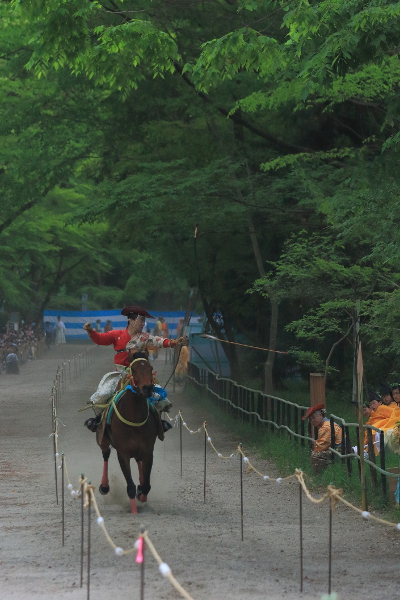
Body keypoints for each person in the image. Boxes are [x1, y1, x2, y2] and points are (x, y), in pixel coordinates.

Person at [83, 305, 188, 432]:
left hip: (140, 374)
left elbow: (159, 341)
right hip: (121, 374)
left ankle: (158, 422)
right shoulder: (117, 334)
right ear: (131, 321)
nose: (143, 324)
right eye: (141, 320)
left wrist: (175, 342)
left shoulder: (144, 337)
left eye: (144, 321)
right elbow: (100, 339)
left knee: (160, 397)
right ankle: (99, 420)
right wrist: (91, 331)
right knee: (103, 394)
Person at [302, 404, 342, 475]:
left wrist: (315, 445)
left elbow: (321, 446)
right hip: (339, 448)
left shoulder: (326, 426)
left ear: (320, 415)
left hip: (340, 450)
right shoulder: (326, 424)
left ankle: (319, 475)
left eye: (313, 417)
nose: (312, 421)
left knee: (316, 454)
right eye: (310, 419)